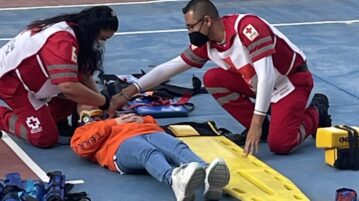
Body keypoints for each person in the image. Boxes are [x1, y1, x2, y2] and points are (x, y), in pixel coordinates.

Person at [108, 0, 332, 156]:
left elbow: (266, 77)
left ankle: (315, 112)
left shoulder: (248, 28)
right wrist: (128, 92)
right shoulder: (206, 43)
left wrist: (254, 124)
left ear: (207, 21)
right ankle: (265, 127)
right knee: (213, 77)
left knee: (281, 145)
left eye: (190, 26)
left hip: (290, 83)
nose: (189, 32)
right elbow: (170, 67)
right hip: (259, 85)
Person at [0, 6, 118, 148]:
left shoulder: (76, 30)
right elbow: (68, 87)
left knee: (80, 95)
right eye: (102, 38)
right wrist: (104, 102)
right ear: (93, 30)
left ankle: (47, 116)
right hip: (11, 82)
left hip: (30, 77)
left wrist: (101, 103)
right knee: (44, 138)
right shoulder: (61, 41)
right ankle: (3, 117)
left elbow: (83, 74)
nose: (102, 43)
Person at [70, 108, 230, 201]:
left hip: (148, 132)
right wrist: (111, 123)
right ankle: (174, 180)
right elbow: (82, 148)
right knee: (146, 152)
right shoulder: (82, 131)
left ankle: (208, 173)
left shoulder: (123, 118)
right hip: (118, 146)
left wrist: (143, 119)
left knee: (176, 146)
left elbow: (157, 126)